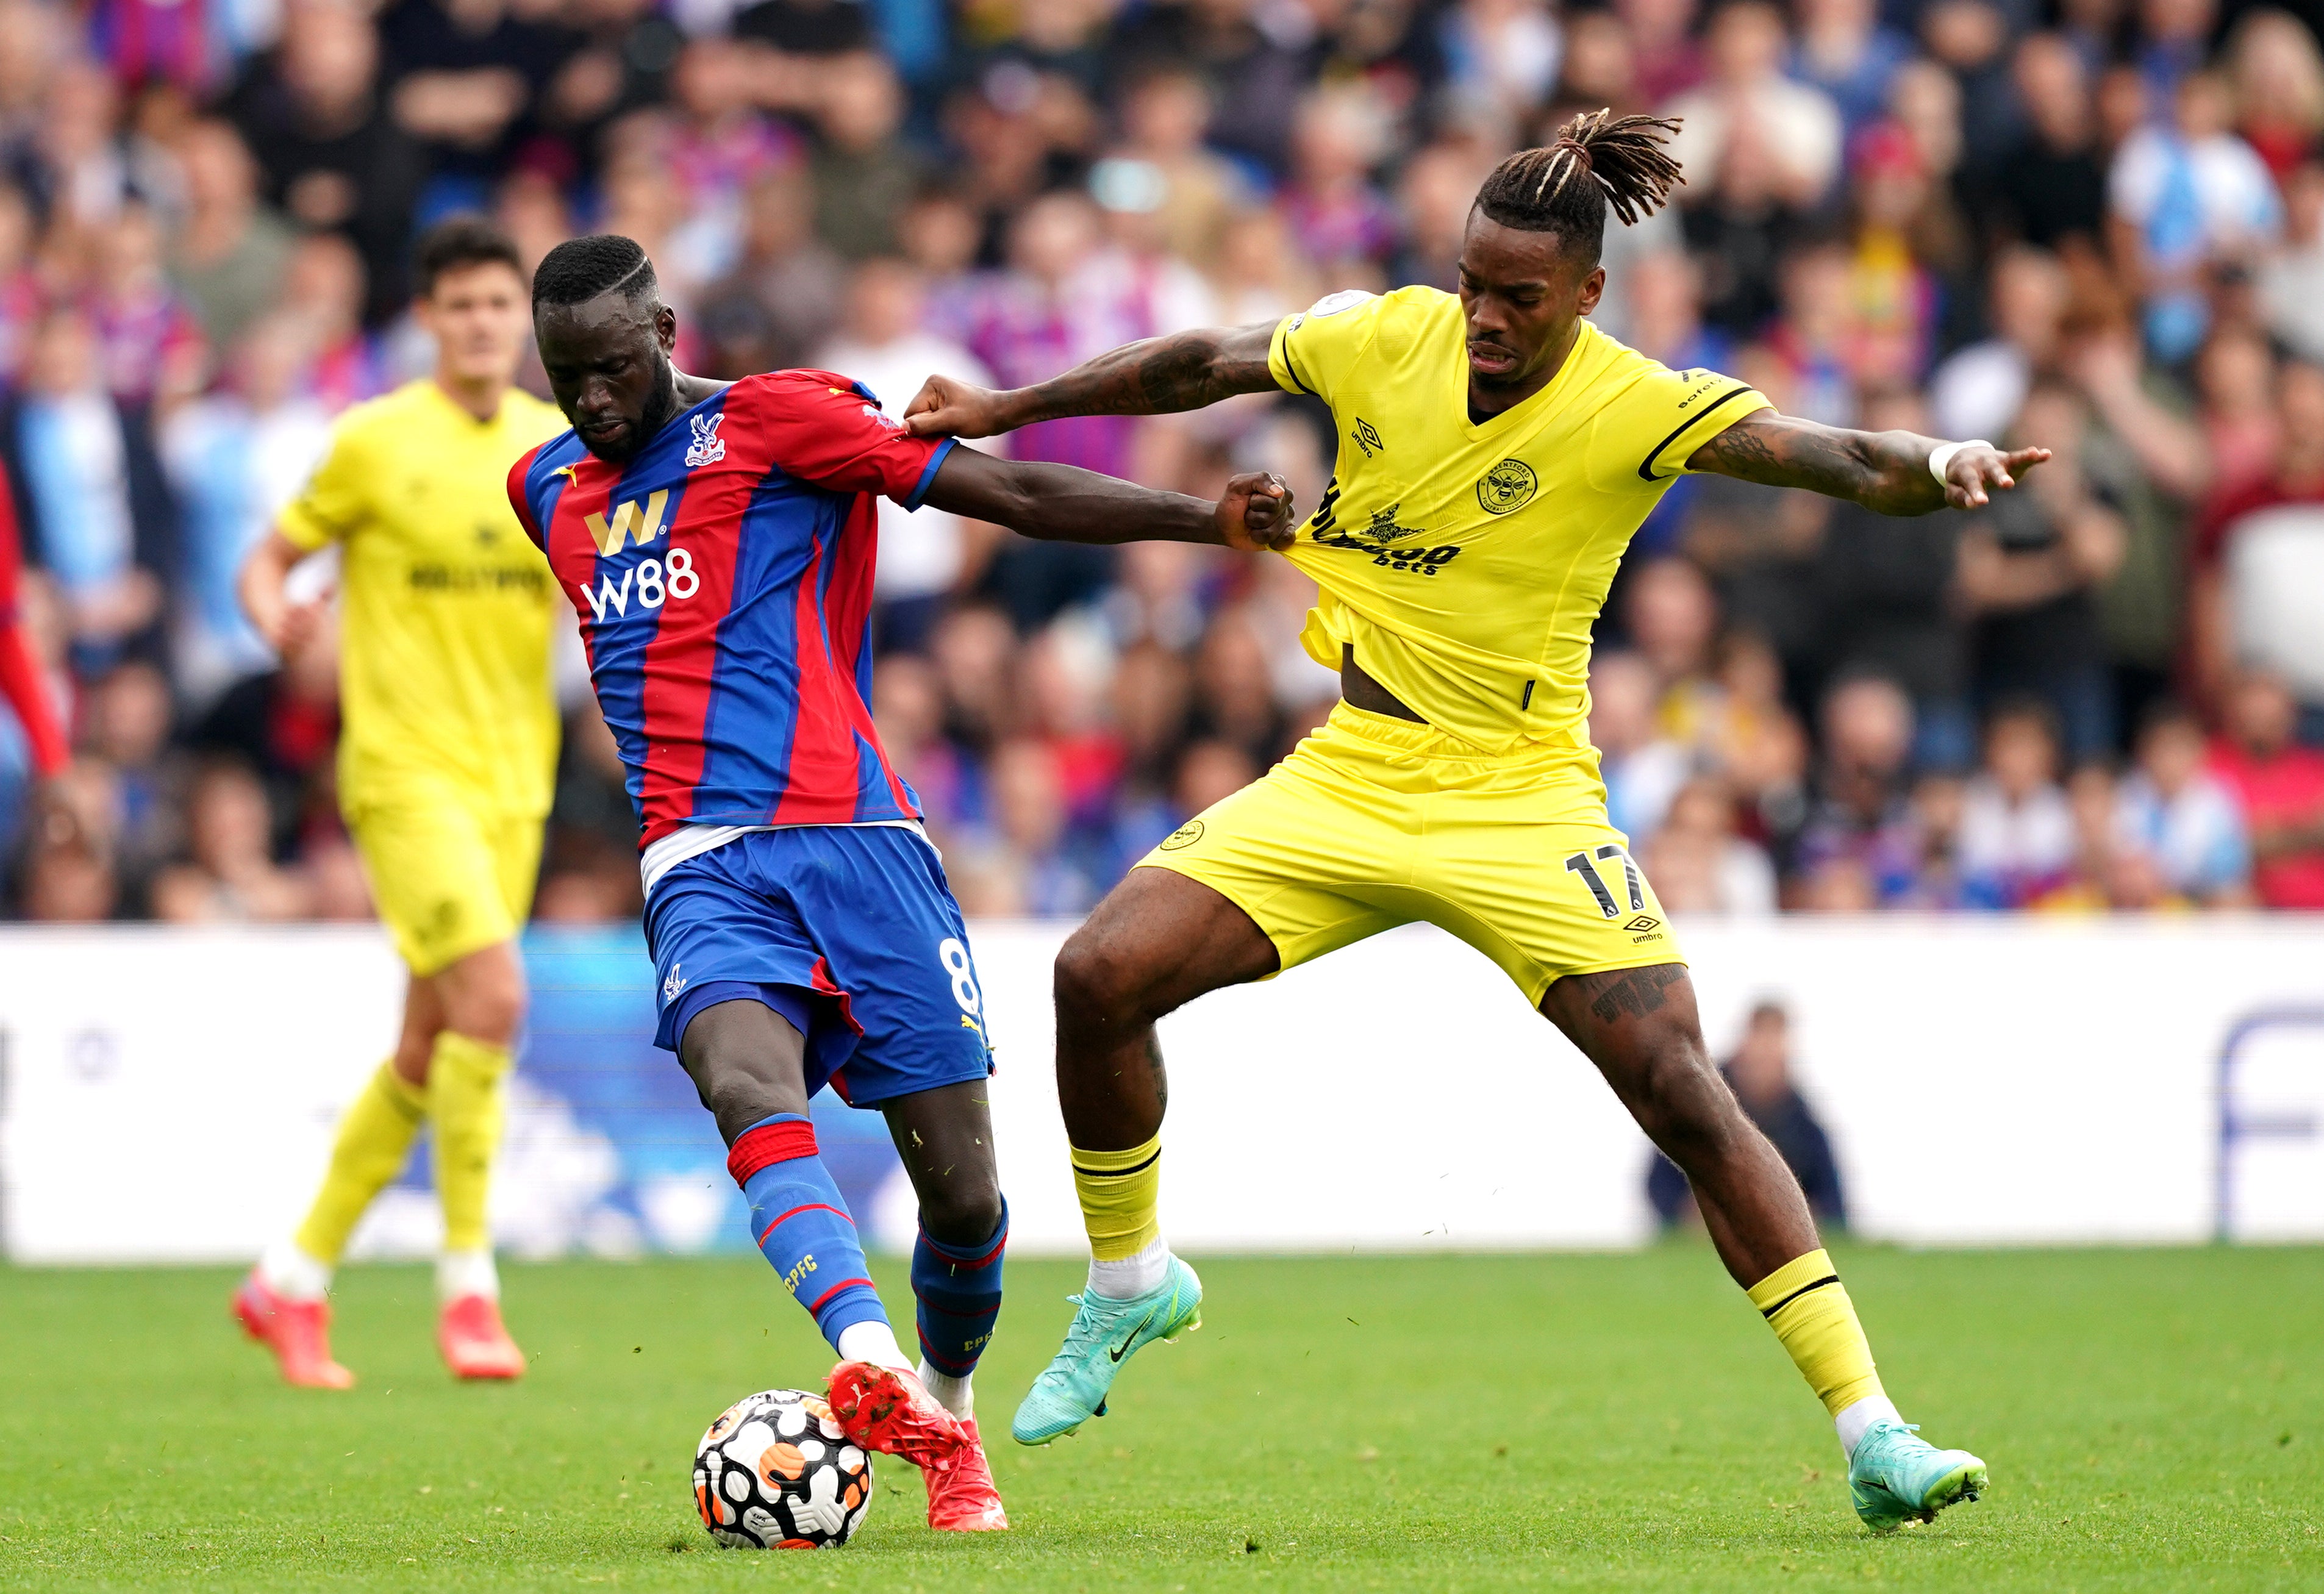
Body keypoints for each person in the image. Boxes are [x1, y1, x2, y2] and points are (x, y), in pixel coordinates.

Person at [905, 109, 2045, 1532]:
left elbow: (1828, 455)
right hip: (1353, 772)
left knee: (1684, 1089)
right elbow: (1196, 362)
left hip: (1522, 802)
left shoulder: (1637, 402)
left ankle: (1874, 1428)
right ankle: (1133, 1285)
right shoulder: (1383, 335)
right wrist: (1002, 410)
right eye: (1472, 284)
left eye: (1519, 295)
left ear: (1586, 292)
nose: (1486, 318)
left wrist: (1936, 467)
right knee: (1093, 975)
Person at [509, 233, 1296, 1532]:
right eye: (563, 377)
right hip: (699, 857)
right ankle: (866, 1353)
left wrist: (1198, 520)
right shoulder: (541, 487)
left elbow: (1009, 496)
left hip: (861, 841)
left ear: (662, 328)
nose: (587, 403)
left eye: (606, 369)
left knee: (967, 1196)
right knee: (738, 1074)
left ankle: (947, 1410)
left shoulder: (784, 420)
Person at [228, 218, 568, 1390]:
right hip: (403, 775)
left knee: (430, 1043)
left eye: (496, 305)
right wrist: (275, 612)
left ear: (520, 321)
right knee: (496, 996)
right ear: (427, 317)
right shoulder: (371, 441)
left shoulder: (557, 446)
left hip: (513, 782)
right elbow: (267, 558)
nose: (479, 323)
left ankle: (291, 1278)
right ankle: (468, 1283)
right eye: (460, 304)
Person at [1649, 1001, 1844, 1227]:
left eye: (1774, 1042)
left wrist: (1794, 1222)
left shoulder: (1805, 1126)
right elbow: (1659, 1183)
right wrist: (1691, 1215)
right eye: (1761, 1039)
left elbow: (1834, 1206)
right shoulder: (1697, 1102)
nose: (1766, 1052)